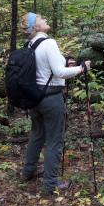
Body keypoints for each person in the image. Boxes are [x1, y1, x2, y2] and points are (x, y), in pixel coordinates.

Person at [20, 12, 91, 195]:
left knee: (37, 135)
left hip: (35, 98)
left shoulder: (30, 45)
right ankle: (50, 186)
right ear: (36, 26)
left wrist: (66, 61)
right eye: (41, 19)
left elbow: (46, 67)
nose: (45, 19)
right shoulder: (49, 43)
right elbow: (59, 73)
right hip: (51, 98)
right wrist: (81, 68)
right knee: (54, 141)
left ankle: (28, 172)